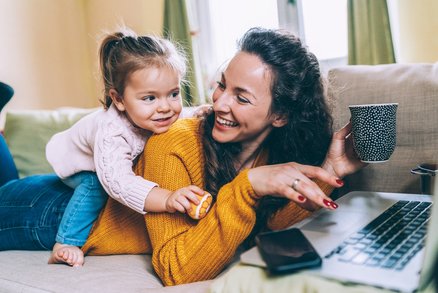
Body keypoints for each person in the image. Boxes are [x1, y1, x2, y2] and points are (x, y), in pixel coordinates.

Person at [0, 27, 363, 285]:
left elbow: (267, 232)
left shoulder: (269, 154)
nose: (218, 101)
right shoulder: (172, 139)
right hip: (46, 212)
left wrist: (327, 172)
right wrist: (246, 188)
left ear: (280, 116)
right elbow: (176, 268)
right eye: (222, 84)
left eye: (241, 96)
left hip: (53, 201)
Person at [44, 28, 207, 267]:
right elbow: (119, 184)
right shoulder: (113, 132)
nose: (166, 107)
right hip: (77, 163)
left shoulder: (160, 113)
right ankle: (66, 241)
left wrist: (200, 112)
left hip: (101, 155)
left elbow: (182, 114)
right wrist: (167, 198)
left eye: (173, 93)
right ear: (118, 99)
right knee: (95, 186)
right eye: (150, 98)